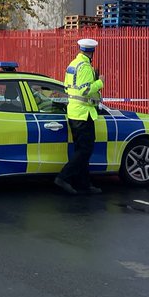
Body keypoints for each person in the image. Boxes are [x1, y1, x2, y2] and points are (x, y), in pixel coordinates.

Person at [55, 37, 104, 195]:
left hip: (74, 112)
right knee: (85, 150)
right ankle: (64, 177)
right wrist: (100, 82)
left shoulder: (73, 64)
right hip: (83, 114)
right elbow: (84, 90)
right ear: (92, 52)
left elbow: (67, 87)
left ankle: (83, 183)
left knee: (81, 149)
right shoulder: (84, 67)